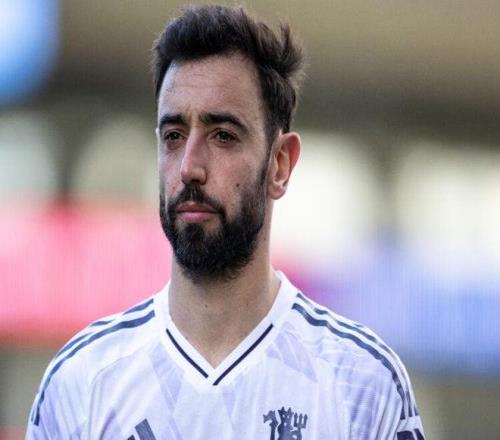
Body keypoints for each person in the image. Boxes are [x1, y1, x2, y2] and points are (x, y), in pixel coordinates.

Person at [27, 5, 425, 439]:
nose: (189, 167)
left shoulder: (361, 385)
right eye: (173, 136)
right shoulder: (83, 382)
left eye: (223, 136)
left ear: (279, 164)